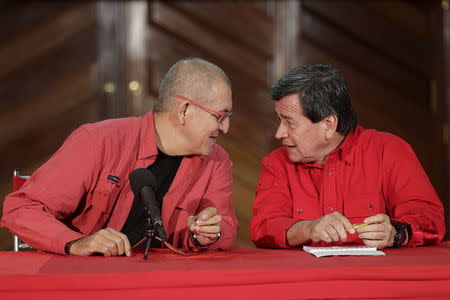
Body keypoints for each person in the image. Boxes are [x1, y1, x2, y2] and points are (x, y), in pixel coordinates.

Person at [2, 57, 238, 256]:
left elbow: (226, 227)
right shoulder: (98, 141)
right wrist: (75, 243)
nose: (226, 128)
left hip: (165, 285)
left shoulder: (217, 161)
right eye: (220, 116)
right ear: (185, 110)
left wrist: (208, 234)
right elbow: (20, 208)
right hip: (83, 284)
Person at [250, 64, 445, 249]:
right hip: (304, 281)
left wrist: (396, 232)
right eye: (279, 120)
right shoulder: (277, 163)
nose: (279, 133)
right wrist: (308, 229)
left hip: (376, 280)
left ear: (328, 124)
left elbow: (429, 216)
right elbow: (264, 226)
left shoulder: (388, 150)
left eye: (290, 123)